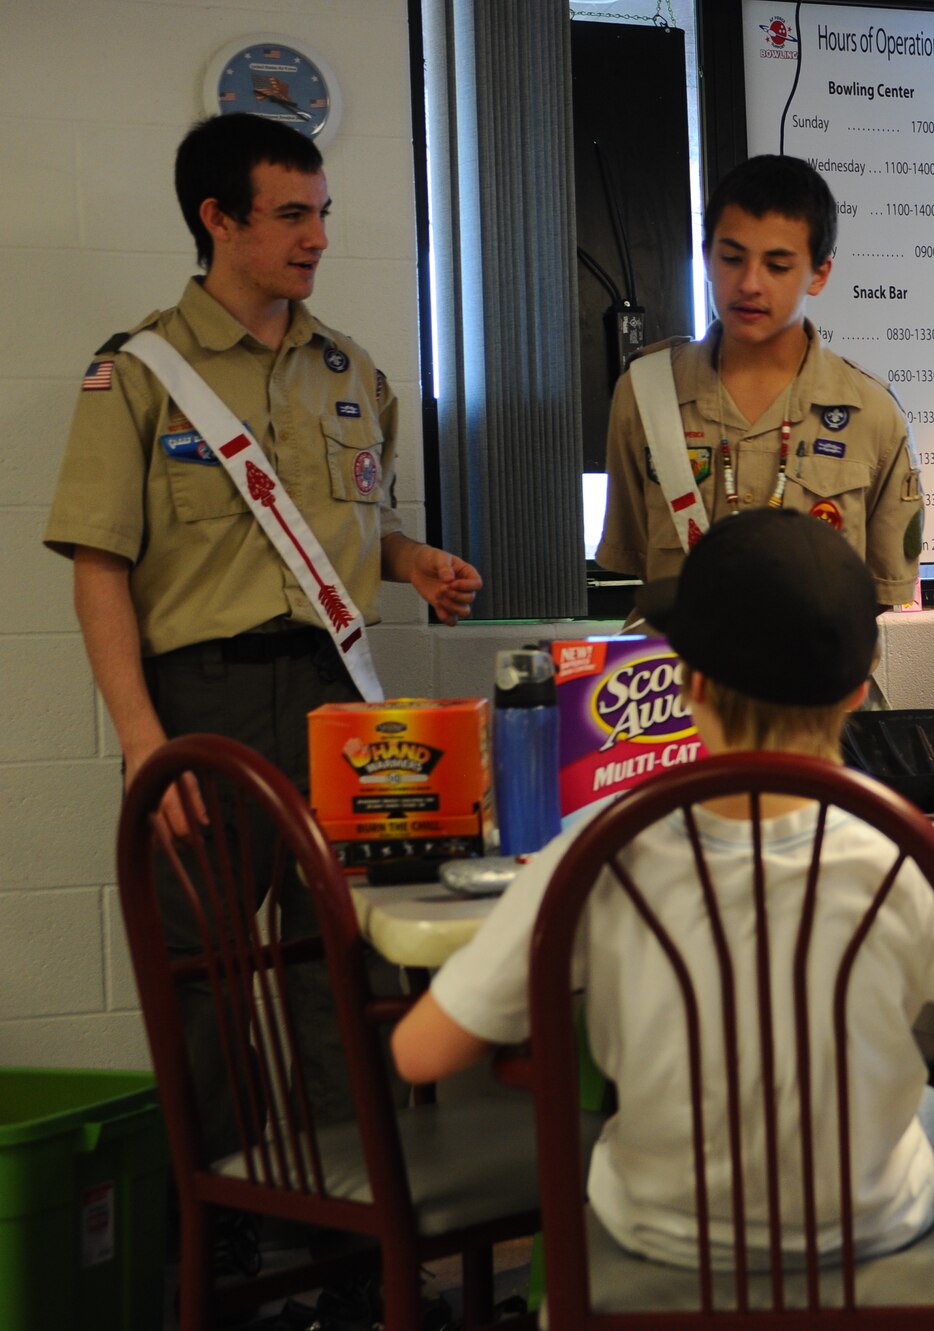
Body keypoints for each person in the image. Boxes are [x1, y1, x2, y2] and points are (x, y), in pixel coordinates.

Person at [392, 508, 934, 1270]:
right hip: (866, 1227)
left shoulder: (596, 851)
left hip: (659, 1231)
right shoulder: (911, 857)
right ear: (855, 692)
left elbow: (421, 1053)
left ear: (689, 684)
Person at [42, 114, 481, 1162]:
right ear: (218, 219)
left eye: (321, 213)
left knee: (351, 958)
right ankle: (230, 1221)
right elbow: (99, 566)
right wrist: (144, 738)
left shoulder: (352, 370)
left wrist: (409, 560)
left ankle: (358, 1214)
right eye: (291, 215)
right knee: (209, 973)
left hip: (340, 695)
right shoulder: (139, 373)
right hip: (207, 702)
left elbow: (344, 538)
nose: (317, 237)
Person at [596, 154, 924, 617]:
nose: (749, 283)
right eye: (732, 258)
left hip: (814, 684)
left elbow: (882, 588)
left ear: (820, 274)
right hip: (676, 683)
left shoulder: (871, 413)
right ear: (707, 256)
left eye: (778, 265)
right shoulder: (646, 393)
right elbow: (633, 556)